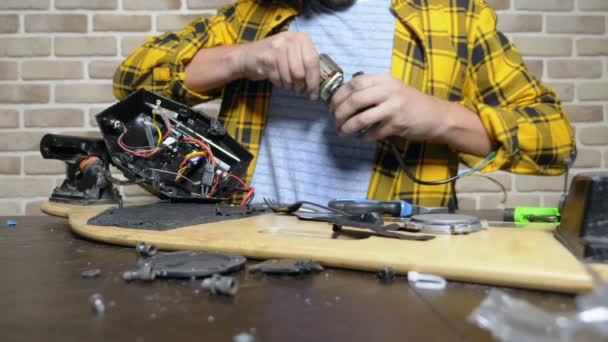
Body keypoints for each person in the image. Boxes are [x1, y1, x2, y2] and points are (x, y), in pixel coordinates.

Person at [113, 0, 575, 208]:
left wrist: (435, 117)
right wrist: (244, 57)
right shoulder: (256, 15)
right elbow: (132, 80)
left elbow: (555, 140)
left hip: (385, 262)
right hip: (248, 247)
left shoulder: (457, 17)